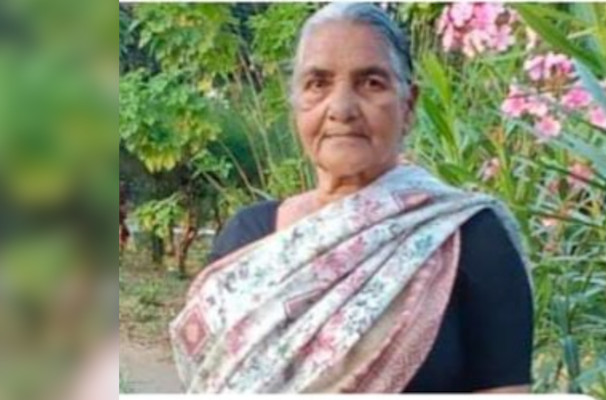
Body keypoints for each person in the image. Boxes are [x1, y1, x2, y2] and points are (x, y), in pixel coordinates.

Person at [170, 3, 532, 393]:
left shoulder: (469, 237)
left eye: (371, 83)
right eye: (317, 84)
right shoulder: (246, 236)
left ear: (409, 105)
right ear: (296, 105)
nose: (341, 109)